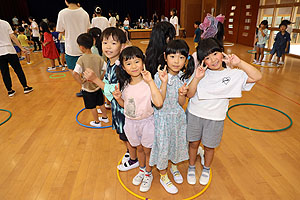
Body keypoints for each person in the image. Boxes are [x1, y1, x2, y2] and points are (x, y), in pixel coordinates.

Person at [186, 38, 262, 186]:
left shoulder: (233, 74)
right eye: (207, 58)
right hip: (195, 114)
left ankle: (206, 169)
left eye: (215, 54)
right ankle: (191, 166)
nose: (213, 60)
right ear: (203, 61)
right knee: (193, 143)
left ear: (222, 53)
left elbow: (257, 76)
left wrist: (239, 63)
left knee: (209, 146)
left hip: (215, 118)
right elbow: (189, 94)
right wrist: (196, 78)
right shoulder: (200, 72)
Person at [83, 27, 138, 172]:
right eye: (105, 42)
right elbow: (108, 89)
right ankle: (130, 152)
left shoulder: (120, 67)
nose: (108, 47)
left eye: (113, 43)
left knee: (127, 136)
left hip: (124, 109)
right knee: (123, 135)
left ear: (122, 46)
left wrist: (95, 79)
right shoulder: (110, 63)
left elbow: (113, 91)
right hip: (117, 108)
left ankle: (134, 159)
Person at [113, 46, 163, 192]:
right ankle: (142, 170)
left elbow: (159, 102)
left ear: (143, 62)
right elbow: (126, 106)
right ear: (123, 67)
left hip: (147, 122)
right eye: (128, 63)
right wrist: (118, 99)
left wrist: (151, 82)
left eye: (137, 61)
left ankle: (148, 172)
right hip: (130, 123)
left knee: (148, 150)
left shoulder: (149, 82)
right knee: (139, 149)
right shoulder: (125, 84)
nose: (133, 66)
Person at [149, 40, 195, 194]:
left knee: (177, 143)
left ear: (186, 59)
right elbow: (159, 103)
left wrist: (182, 94)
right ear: (165, 57)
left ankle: (174, 166)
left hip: (177, 117)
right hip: (162, 118)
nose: (176, 61)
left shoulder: (183, 77)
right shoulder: (159, 75)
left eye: (181, 57)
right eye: (172, 56)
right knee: (163, 146)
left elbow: (181, 103)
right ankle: (163, 175)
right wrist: (163, 82)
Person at [73, 33, 108, 127]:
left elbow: (75, 73)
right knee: (101, 103)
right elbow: (105, 68)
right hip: (98, 86)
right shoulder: (98, 57)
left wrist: (81, 82)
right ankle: (105, 117)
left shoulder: (81, 59)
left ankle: (97, 122)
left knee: (92, 106)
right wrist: (100, 79)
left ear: (81, 47)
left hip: (88, 88)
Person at [56, 0, 90, 97]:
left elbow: (60, 30)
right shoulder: (84, 13)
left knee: (72, 69)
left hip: (71, 47)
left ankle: (84, 87)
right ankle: (87, 87)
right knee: (85, 69)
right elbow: (88, 29)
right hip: (84, 46)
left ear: (66, 1)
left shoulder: (62, 13)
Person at [0, 19, 33, 97]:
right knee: (18, 70)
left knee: (5, 73)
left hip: (0, 53)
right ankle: (25, 87)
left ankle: (10, 90)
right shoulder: (5, 23)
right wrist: (21, 48)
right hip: (10, 50)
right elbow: (12, 36)